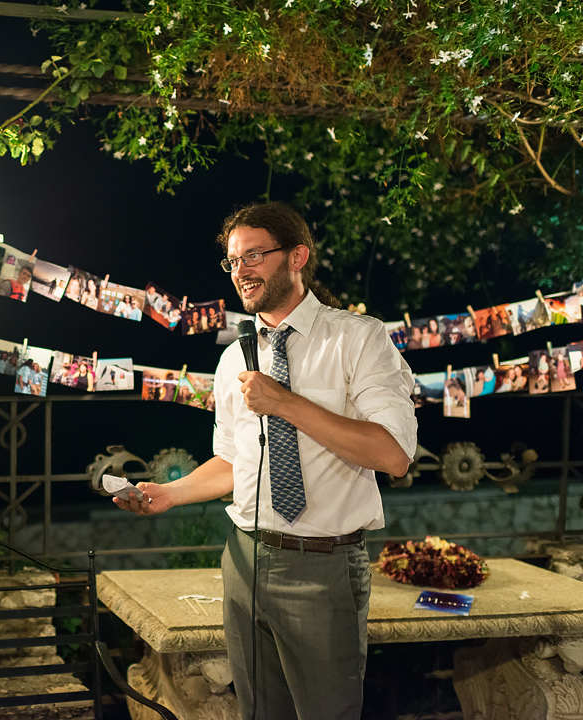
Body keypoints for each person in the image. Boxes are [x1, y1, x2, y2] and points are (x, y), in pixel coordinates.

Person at [114, 202, 416, 720]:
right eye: (233, 261)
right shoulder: (235, 356)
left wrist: (285, 403)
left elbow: (393, 454)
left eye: (254, 255)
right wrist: (169, 493)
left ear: (297, 256)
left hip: (322, 563)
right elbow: (234, 461)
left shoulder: (357, 338)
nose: (241, 271)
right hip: (244, 559)